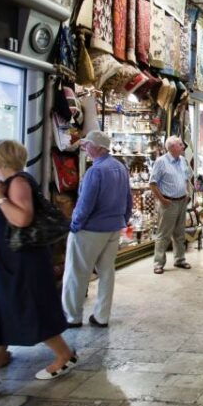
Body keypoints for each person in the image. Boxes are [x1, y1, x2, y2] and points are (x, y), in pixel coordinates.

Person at [0, 140, 77, 398]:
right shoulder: (9, 183)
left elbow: (22, 218)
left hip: (20, 265)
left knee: (26, 311)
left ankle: (64, 355)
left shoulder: (17, 183)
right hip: (6, 264)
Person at [62, 131, 131, 328]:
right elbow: (128, 200)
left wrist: (75, 225)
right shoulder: (120, 167)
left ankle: (72, 316)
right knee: (107, 272)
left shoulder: (96, 171)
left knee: (77, 272)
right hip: (113, 228)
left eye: (88, 144)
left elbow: (85, 204)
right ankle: (102, 315)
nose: (84, 147)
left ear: (100, 148)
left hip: (91, 229)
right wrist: (122, 220)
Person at [149, 136, 193, 274]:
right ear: (172, 147)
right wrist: (162, 200)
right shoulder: (161, 162)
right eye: (180, 144)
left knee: (180, 233)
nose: (183, 147)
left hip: (181, 201)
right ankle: (158, 263)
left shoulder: (183, 161)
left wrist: (186, 193)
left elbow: (187, 178)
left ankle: (180, 259)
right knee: (164, 235)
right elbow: (152, 183)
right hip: (168, 202)